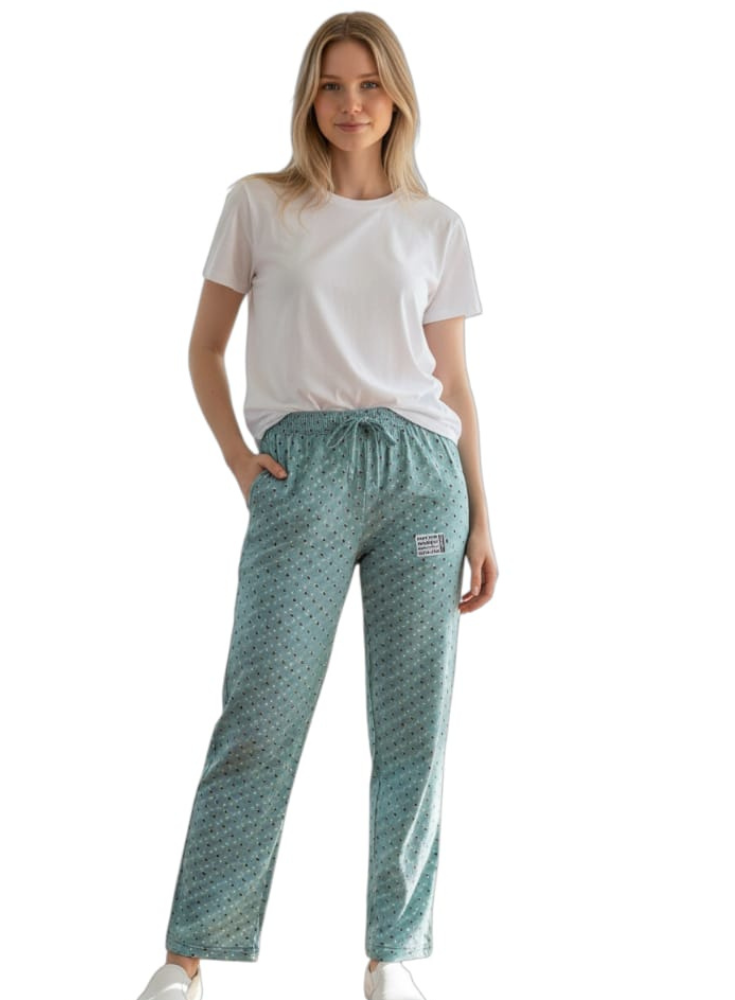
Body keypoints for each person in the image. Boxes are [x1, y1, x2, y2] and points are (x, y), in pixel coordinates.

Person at [134, 11, 497, 1000]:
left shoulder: (436, 225)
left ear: (397, 98)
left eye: (369, 85)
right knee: (261, 711)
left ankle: (393, 955)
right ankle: (188, 954)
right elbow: (205, 347)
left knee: (414, 725)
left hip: (421, 474)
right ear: (308, 97)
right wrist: (239, 460)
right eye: (331, 85)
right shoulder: (259, 204)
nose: (350, 104)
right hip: (301, 471)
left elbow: (455, 385)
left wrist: (483, 514)